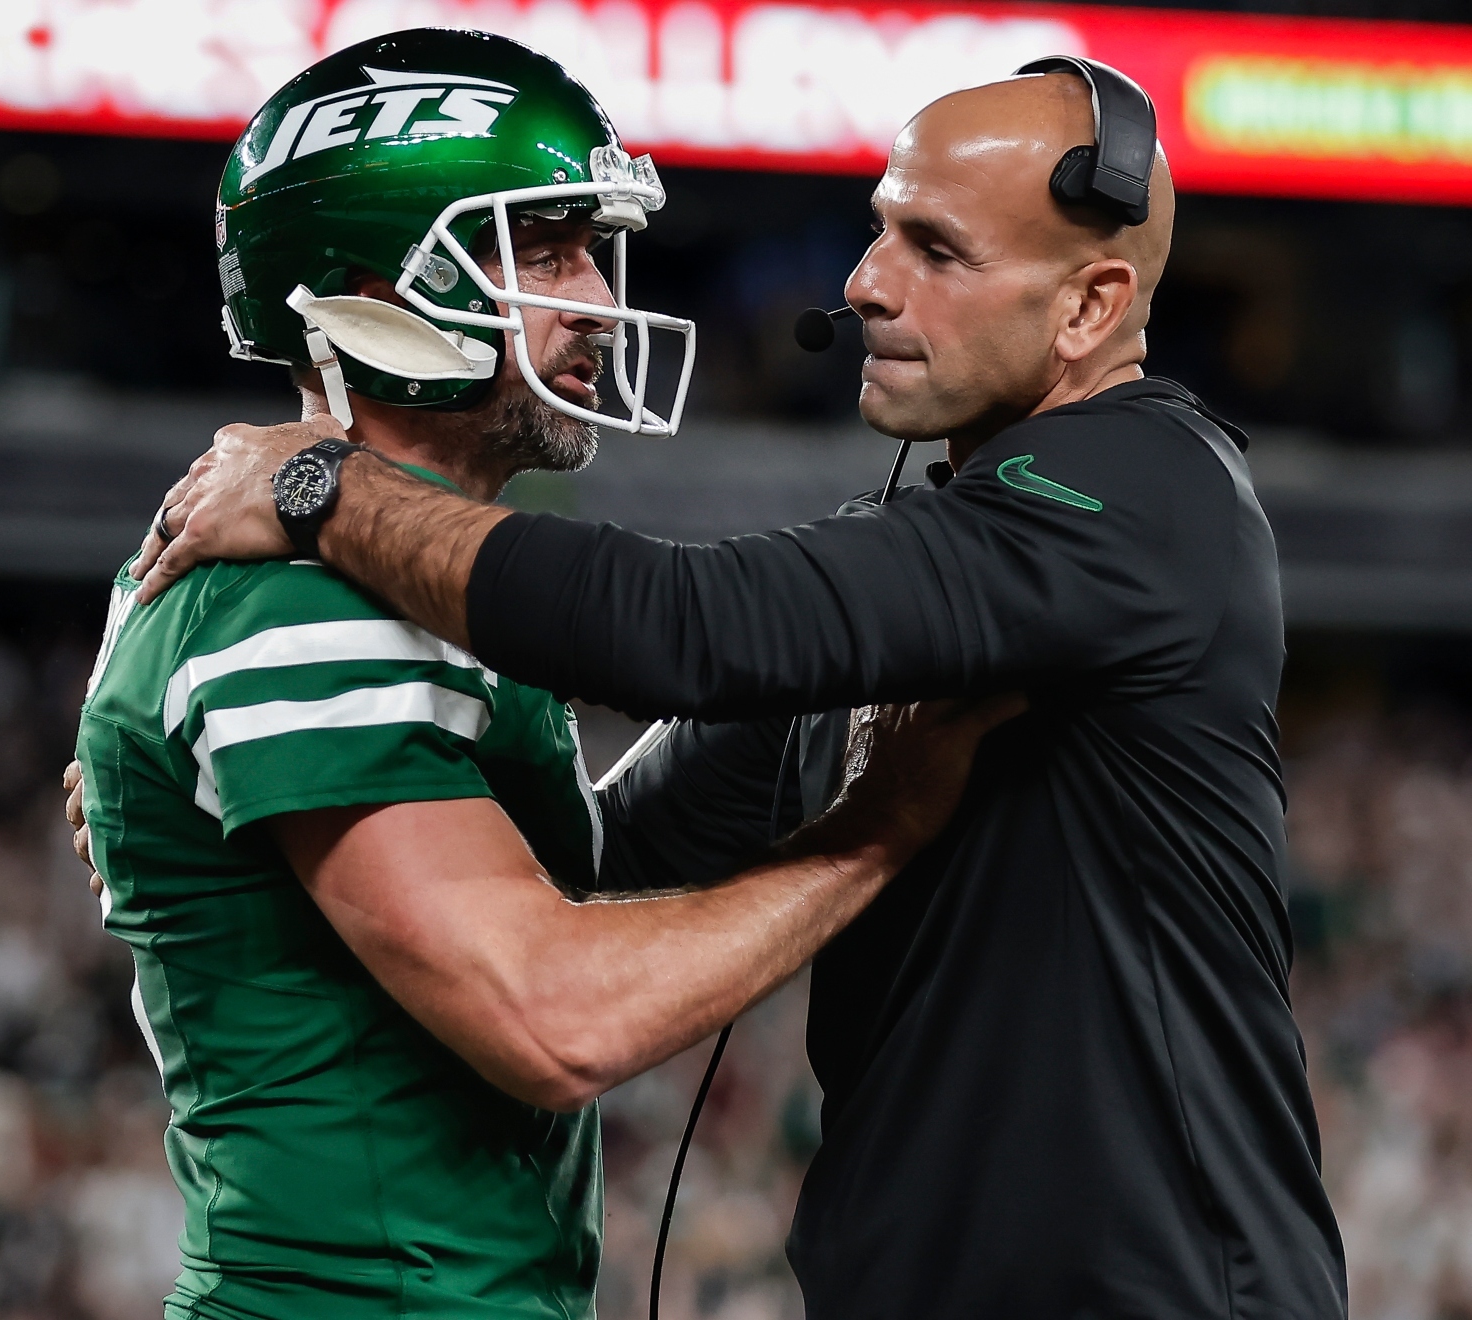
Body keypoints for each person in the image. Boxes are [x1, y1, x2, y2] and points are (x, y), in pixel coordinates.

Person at [128, 68, 1350, 1319]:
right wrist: (184, 801)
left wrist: (319, 487)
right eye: (882, 228)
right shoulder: (938, 582)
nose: (867, 282)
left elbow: (684, 631)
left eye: (935, 247)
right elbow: (598, 853)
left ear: (1093, 304)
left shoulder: (1147, 496)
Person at [67, 29, 1017, 1320]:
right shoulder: (296, 599)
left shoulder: (377, 573)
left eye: (593, 248)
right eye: (542, 249)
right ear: (370, 284)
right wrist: (880, 826)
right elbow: (551, 1017)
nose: (597, 300)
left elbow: (567, 864)